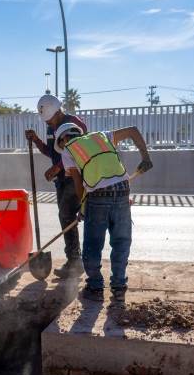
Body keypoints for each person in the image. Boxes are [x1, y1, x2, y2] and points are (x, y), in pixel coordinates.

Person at [56, 123, 152, 302]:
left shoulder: (68, 150)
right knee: (121, 242)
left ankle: (95, 288)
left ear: (64, 138)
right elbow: (132, 130)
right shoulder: (101, 136)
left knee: (92, 246)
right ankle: (118, 287)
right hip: (123, 191)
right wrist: (145, 156)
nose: (61, 147)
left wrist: (83, 207)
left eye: (60, 143)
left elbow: (78, 183)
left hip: (97, 195)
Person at [24, 94, 87, 278]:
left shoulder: (74, 124)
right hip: (62, 179)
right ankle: (75, 261)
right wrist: (36, 140)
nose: (48, 124)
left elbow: (78, 151)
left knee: (69, 216)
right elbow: (52, 153)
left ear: (58, 111)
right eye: (46, 122)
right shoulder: (51, 126)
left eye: (49, 120)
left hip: (75, 176)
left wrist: (57, 167)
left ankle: (76, 262)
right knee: (66, 217)